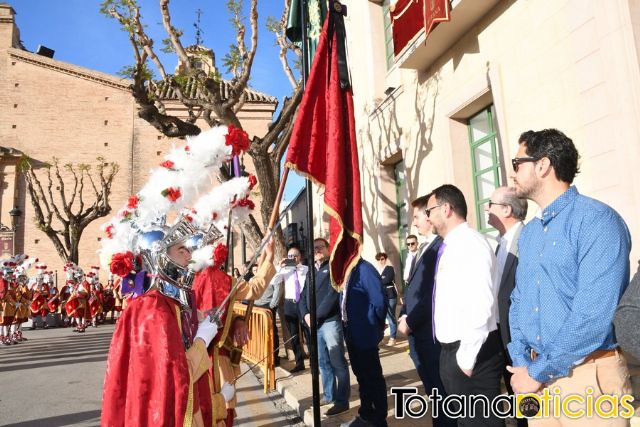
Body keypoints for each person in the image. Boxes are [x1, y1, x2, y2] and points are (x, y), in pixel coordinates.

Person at [507, 129, 632, 426]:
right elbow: (519, 302)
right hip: (537, 379)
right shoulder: (532, 233)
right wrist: (523, 361)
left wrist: (536, 373)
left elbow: (592, 316)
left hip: (588, 377)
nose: (512, 173)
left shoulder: (597, 221)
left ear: (543, 165)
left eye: (517, 163)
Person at [101, 224, 236, 426]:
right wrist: (202, 339)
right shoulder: (153, 308)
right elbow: (176, 378)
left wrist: (202, 319)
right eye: (181, 250)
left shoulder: (168, 303)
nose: (189, 256)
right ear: (158, 257)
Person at [427, 184, 504, 426]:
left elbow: (481, 304)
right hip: (455, 351)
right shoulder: (452, 245)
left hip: (473, 353)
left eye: (430, 210)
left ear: (446, 208)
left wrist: (466, 359)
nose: (427, 217)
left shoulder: (470, 244)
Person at [193, 240, 276, 427]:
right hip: (217, 358)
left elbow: (219, 313)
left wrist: (237, 319)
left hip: (193, 359)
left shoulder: (186, 280)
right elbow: (254, 289)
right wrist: (269, 258)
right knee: (223, 409)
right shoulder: (225, 280)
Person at [398, 194, 454, 427]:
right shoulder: (425, 248)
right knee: (434, 395)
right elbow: (414, 288)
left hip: (429, 335)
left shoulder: (439, 247)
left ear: (430, 217)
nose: (415, 223)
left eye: (418, 217)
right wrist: (403, 312)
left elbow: (431, 294)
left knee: (442, 396)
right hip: (419, 334)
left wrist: (409, 321)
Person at [485, 185, 528, 427]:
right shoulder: (500, 243)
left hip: (520, 336)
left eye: (490, 204)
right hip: (502, 334)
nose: (486, 209)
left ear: (507, 209)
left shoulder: (526, 239)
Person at [299, 238, 350, 416]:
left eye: (321, 247)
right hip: (313, 324)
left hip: (329, 322)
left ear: (329, 249)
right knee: (322, 363)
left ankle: (342, 401)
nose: (317, 250)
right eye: (314, 248)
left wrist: (314, 316)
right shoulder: (309, 271)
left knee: (338, 363)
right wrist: (305, 314)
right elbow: (303, 296)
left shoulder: (333, 268)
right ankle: (329, 395)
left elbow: (332, 295)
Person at [341, 259, 388, 427]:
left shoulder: (365, 269)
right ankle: (366, 414)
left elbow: (379, 301)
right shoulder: (348, 270)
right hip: (351, 332)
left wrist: (375, 325)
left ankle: (378, 419)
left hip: (365, 332)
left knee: (372, 377)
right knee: (362, 377)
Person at [269, 246, 309, 373]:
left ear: (299, 257)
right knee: (294, 335)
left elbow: (306, 278)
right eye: (290, 256)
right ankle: (299, 363)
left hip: (303, 302)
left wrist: (297, 267)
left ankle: (314, 361)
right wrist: (280, 267)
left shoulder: (305, 269)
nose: (293, 258)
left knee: (308, 333)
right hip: (289, 304)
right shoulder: (285, 270)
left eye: (295, 255)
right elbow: (273, 280)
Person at [254, 263, 283, 366]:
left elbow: (278, 291)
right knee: (260, 332)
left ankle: (274, 357)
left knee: (272, 333)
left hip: (268, 307)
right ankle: (263, 356)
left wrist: (272, 306)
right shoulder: (256, 278)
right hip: (256, 307)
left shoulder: (273, 276)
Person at [375, 252, 399, 346]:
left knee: (390, 316)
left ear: (385, 259)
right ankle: (381, 337)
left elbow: (388, 279)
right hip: (380, 296)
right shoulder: (376, 270)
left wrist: (378, 281)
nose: (381, 261)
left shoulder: (389, 268)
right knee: (380, 316)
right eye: (379, 259)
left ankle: (393, 338)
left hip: (390, 295)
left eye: (382, 259)